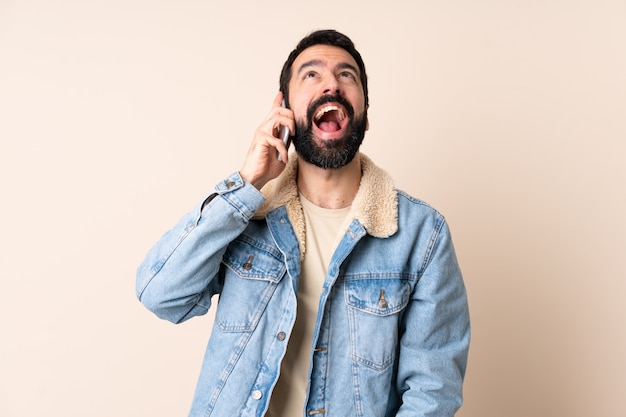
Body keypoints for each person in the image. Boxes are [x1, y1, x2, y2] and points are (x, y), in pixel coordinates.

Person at [136, 29, 470, 417]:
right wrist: (246, 184)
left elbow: (433, 390)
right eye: (311, 75)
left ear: (365, 111)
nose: (332, 83)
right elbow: (161, 294)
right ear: (284, 109)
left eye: (347, 75)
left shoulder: (421, 235)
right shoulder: (247, 214)